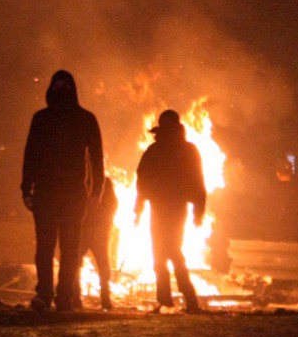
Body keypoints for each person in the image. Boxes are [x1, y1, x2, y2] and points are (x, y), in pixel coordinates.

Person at [21, 70, 106, 312]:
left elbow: (97, 160)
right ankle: (46, 295)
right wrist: (26, 188)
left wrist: (96, 191)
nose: (60, 91)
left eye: (63, 86)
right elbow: (31, 154)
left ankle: (63, 296)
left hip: (72, 195)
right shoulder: (42, 119)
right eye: (57, 86)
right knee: (47, 247)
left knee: (69, 248)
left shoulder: (85, 119)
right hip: (49, 193)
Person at [134, 110, 207, 313]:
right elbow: (143, 180)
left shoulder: (159, 150)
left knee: (168, 251)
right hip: (167, 208)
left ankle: (181, 298)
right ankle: (172, 299)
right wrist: (198, 209)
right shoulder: (169, 150)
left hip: (168, 209)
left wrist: (199, 210)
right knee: (165, 252)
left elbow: (196, 180)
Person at [73, 179, 118, 310]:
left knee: (77, 263)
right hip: (97, 231)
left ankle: (76, 297)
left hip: (86, 229)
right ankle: (105, 299)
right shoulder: (105, 182)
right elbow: (113, 205)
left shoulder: (83, 180)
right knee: (102, 265)